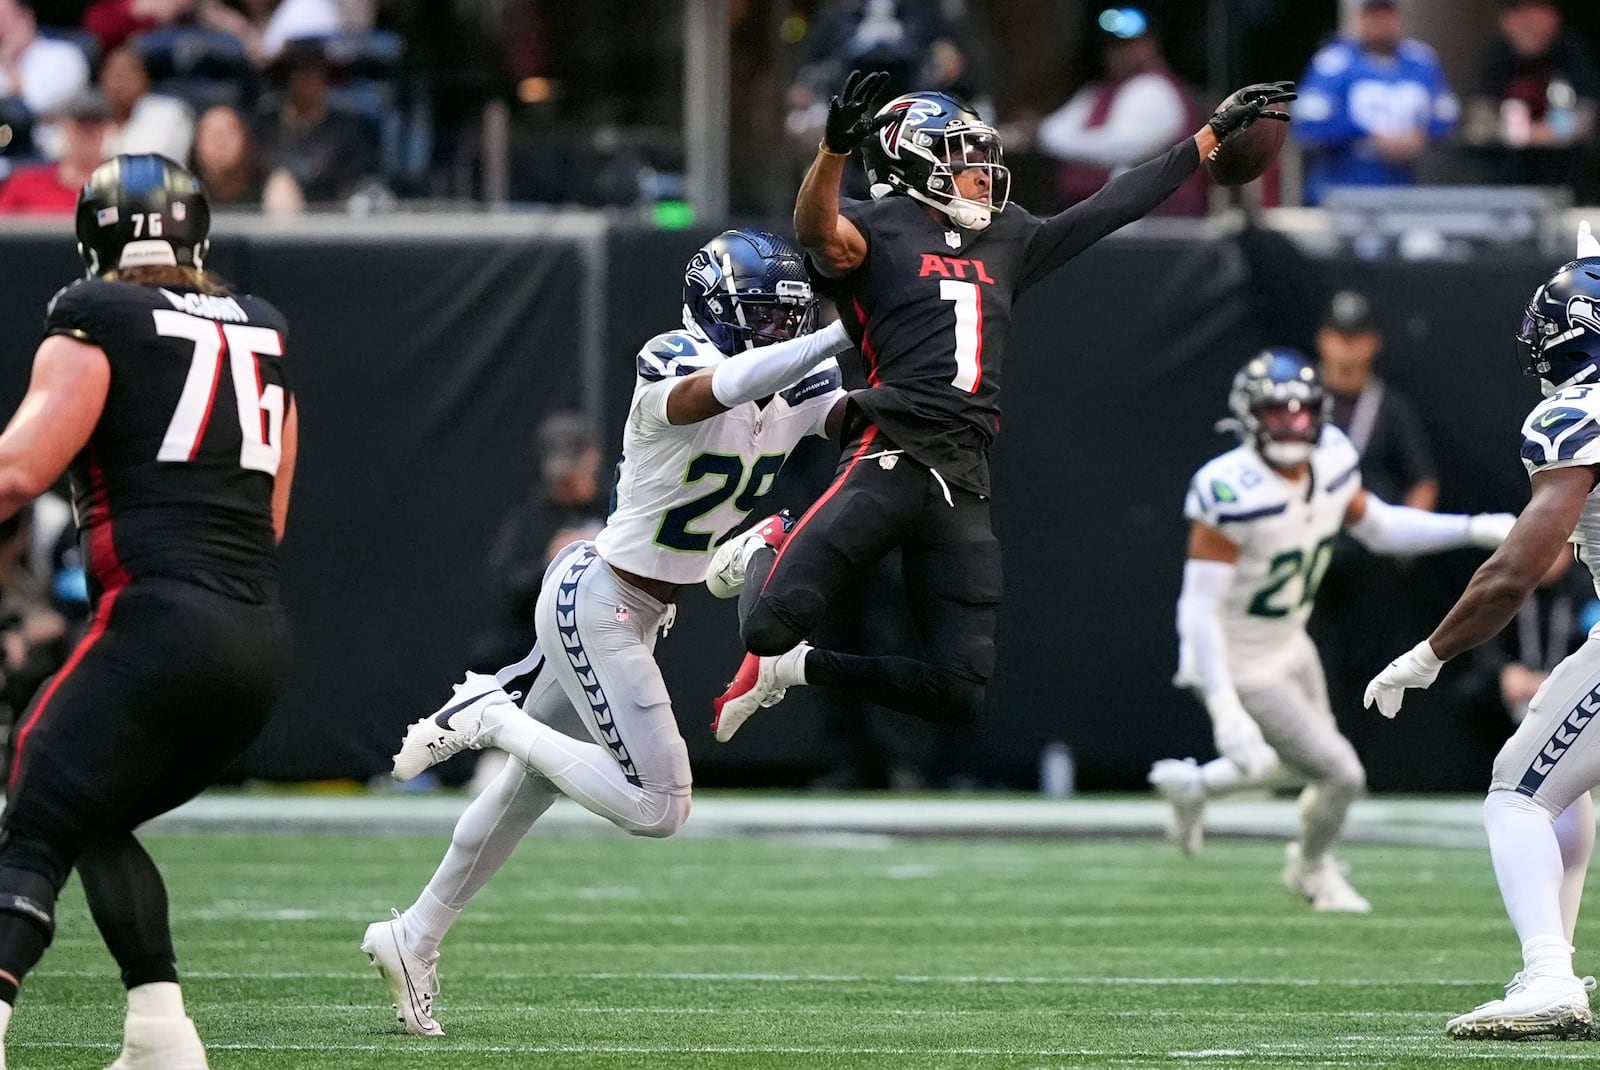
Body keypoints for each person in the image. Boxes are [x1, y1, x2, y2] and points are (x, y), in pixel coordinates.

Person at [704, 69, 1296, 742]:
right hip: (890, 452)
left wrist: (1212, 131)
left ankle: (795, 672)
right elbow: (816, 231)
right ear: (911, 158)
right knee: (766, 624)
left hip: (964, 475)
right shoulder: (877, 226)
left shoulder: (1008, 236)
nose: (983, 169)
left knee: (958, 690)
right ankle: (767, 542)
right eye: (961, 154)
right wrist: (832, 151)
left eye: (982, 153)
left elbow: (1115, 204)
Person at [362, 229, 854, 1037]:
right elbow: (721, 389)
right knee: (661, 805)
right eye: (767, 315)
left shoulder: (795, 375)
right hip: (600, 598)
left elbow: (856, 420)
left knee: (531, 789)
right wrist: (840, 332)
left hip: (637, 607)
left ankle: (414, 937)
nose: (783, 331)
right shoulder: (674, 357)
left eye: (791, 317)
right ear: (721, 310)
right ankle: (492, 716)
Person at [0, 153, 296, 1068]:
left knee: (32, 810)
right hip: (254, 644)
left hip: (156, 625)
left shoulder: (96, 318)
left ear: (93, 236)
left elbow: (18, 471)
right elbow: (271, 516)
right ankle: (161, 1037)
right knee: (91, 805)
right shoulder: (262, 327)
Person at [1145, 349, 1511, 911]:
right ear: (1249, 417)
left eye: (1300, 411)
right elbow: (1198, 609)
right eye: (1276, 413)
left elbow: (1382, 527)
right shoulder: (1230, 490)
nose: (1292, 424)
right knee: (1341, 773)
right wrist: (1223, 706)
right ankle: (1311, 869)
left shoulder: (1334, 459)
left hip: (1290, 642)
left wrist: (1470, 527)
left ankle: (1195, 787)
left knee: (1285, 766)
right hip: (1235, 659)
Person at [1364, 221, 1600, 1040]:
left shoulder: (1576, 416)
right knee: (1565, 784)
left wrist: (1429, 654)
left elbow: (1513, 573)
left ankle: (1547, 974)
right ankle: (1554, 959)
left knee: (1518, 793)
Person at [1036, 7, 1206, 216]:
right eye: (1113, 46)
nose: (1118, 54)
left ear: (1150, 45)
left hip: (1159, 226)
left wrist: (1058, 140)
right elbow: (1050, 131)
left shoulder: (1156, 89)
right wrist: (1046, 136)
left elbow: (1122, 148)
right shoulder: (1098, 91)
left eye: (1128, 45)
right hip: (1099, 223)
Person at [1294, 0, 1457, 206]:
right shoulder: (1335, 61)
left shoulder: (1421, 60)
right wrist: (1368, 134)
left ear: (1399, 20)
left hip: (1403, 187)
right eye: (1374, 16)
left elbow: (1447, 115)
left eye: (1387, 16)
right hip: (1342, 185)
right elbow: (1307, 121)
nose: (1381, 24)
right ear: (1360, 19)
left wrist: (1419, 134)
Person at [0, 88, 112, 214]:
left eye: (95, 126)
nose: (87, 134)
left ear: (106, 128)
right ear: (66, 127)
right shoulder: (26, 183)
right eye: (81, 126)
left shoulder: (120, 189)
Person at [100, 45, 194, 164]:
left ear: (145, 79)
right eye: (114, 73)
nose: (120, 82)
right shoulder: (89, 118)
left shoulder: (169, 113)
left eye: (127, 73)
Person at [0, 0, 89, 117]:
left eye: (2, 19)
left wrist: (10, 63)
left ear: (25, 17)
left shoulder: (64, 56)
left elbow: (32, 108)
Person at [189, 103, 269, 208]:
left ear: (248, 141)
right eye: (211, 133)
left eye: (230, 131)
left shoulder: (270, 190)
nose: (220, 141)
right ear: (195, 145)